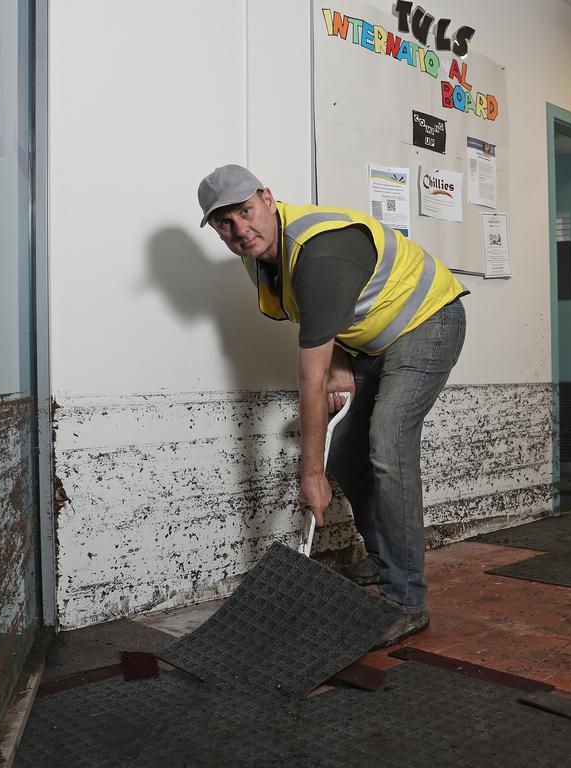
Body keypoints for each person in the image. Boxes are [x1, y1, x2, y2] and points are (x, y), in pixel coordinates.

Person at [198, 164, 467, 647]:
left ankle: (406, 598)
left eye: (245, 211)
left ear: (267, 197)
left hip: (427, 322)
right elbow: (318, 322)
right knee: (345, 453)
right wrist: (342, 361)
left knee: (386, 442)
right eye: (225, 224)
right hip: (371, 343)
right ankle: (386, 561)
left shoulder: (316, 251)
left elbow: (310, 376)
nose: (240, 230)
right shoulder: (258, 256)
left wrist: (310, 476)